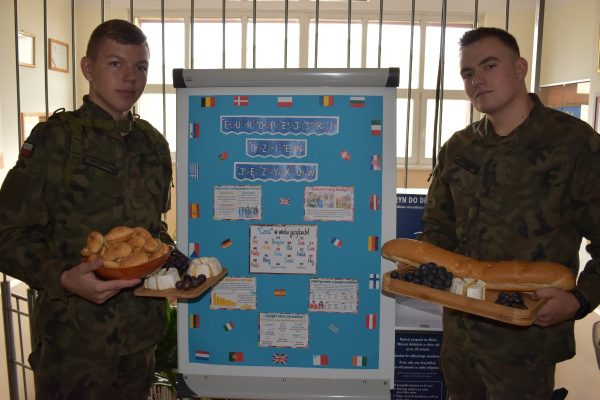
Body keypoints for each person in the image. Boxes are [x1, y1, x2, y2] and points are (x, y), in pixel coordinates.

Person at [418, 27, 600, 399]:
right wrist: (423, 268)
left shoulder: (574, 145)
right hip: (461, 336)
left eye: (489, 66)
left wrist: (580, 299)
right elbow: (439, 228)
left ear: (520, 68)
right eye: (468, 73)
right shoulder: (459, 148)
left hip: (526, 340)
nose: (477, 80)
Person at [0, 19, 178, 399]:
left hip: (140, 341)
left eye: (140, 66)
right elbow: (8, 235)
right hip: (74, 347)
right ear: (88, 68)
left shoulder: (153, 144)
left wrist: (176, 261)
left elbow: (151, 231)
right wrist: (64, 277)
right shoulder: (56, 141)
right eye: (115, 63)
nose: (130, 77)